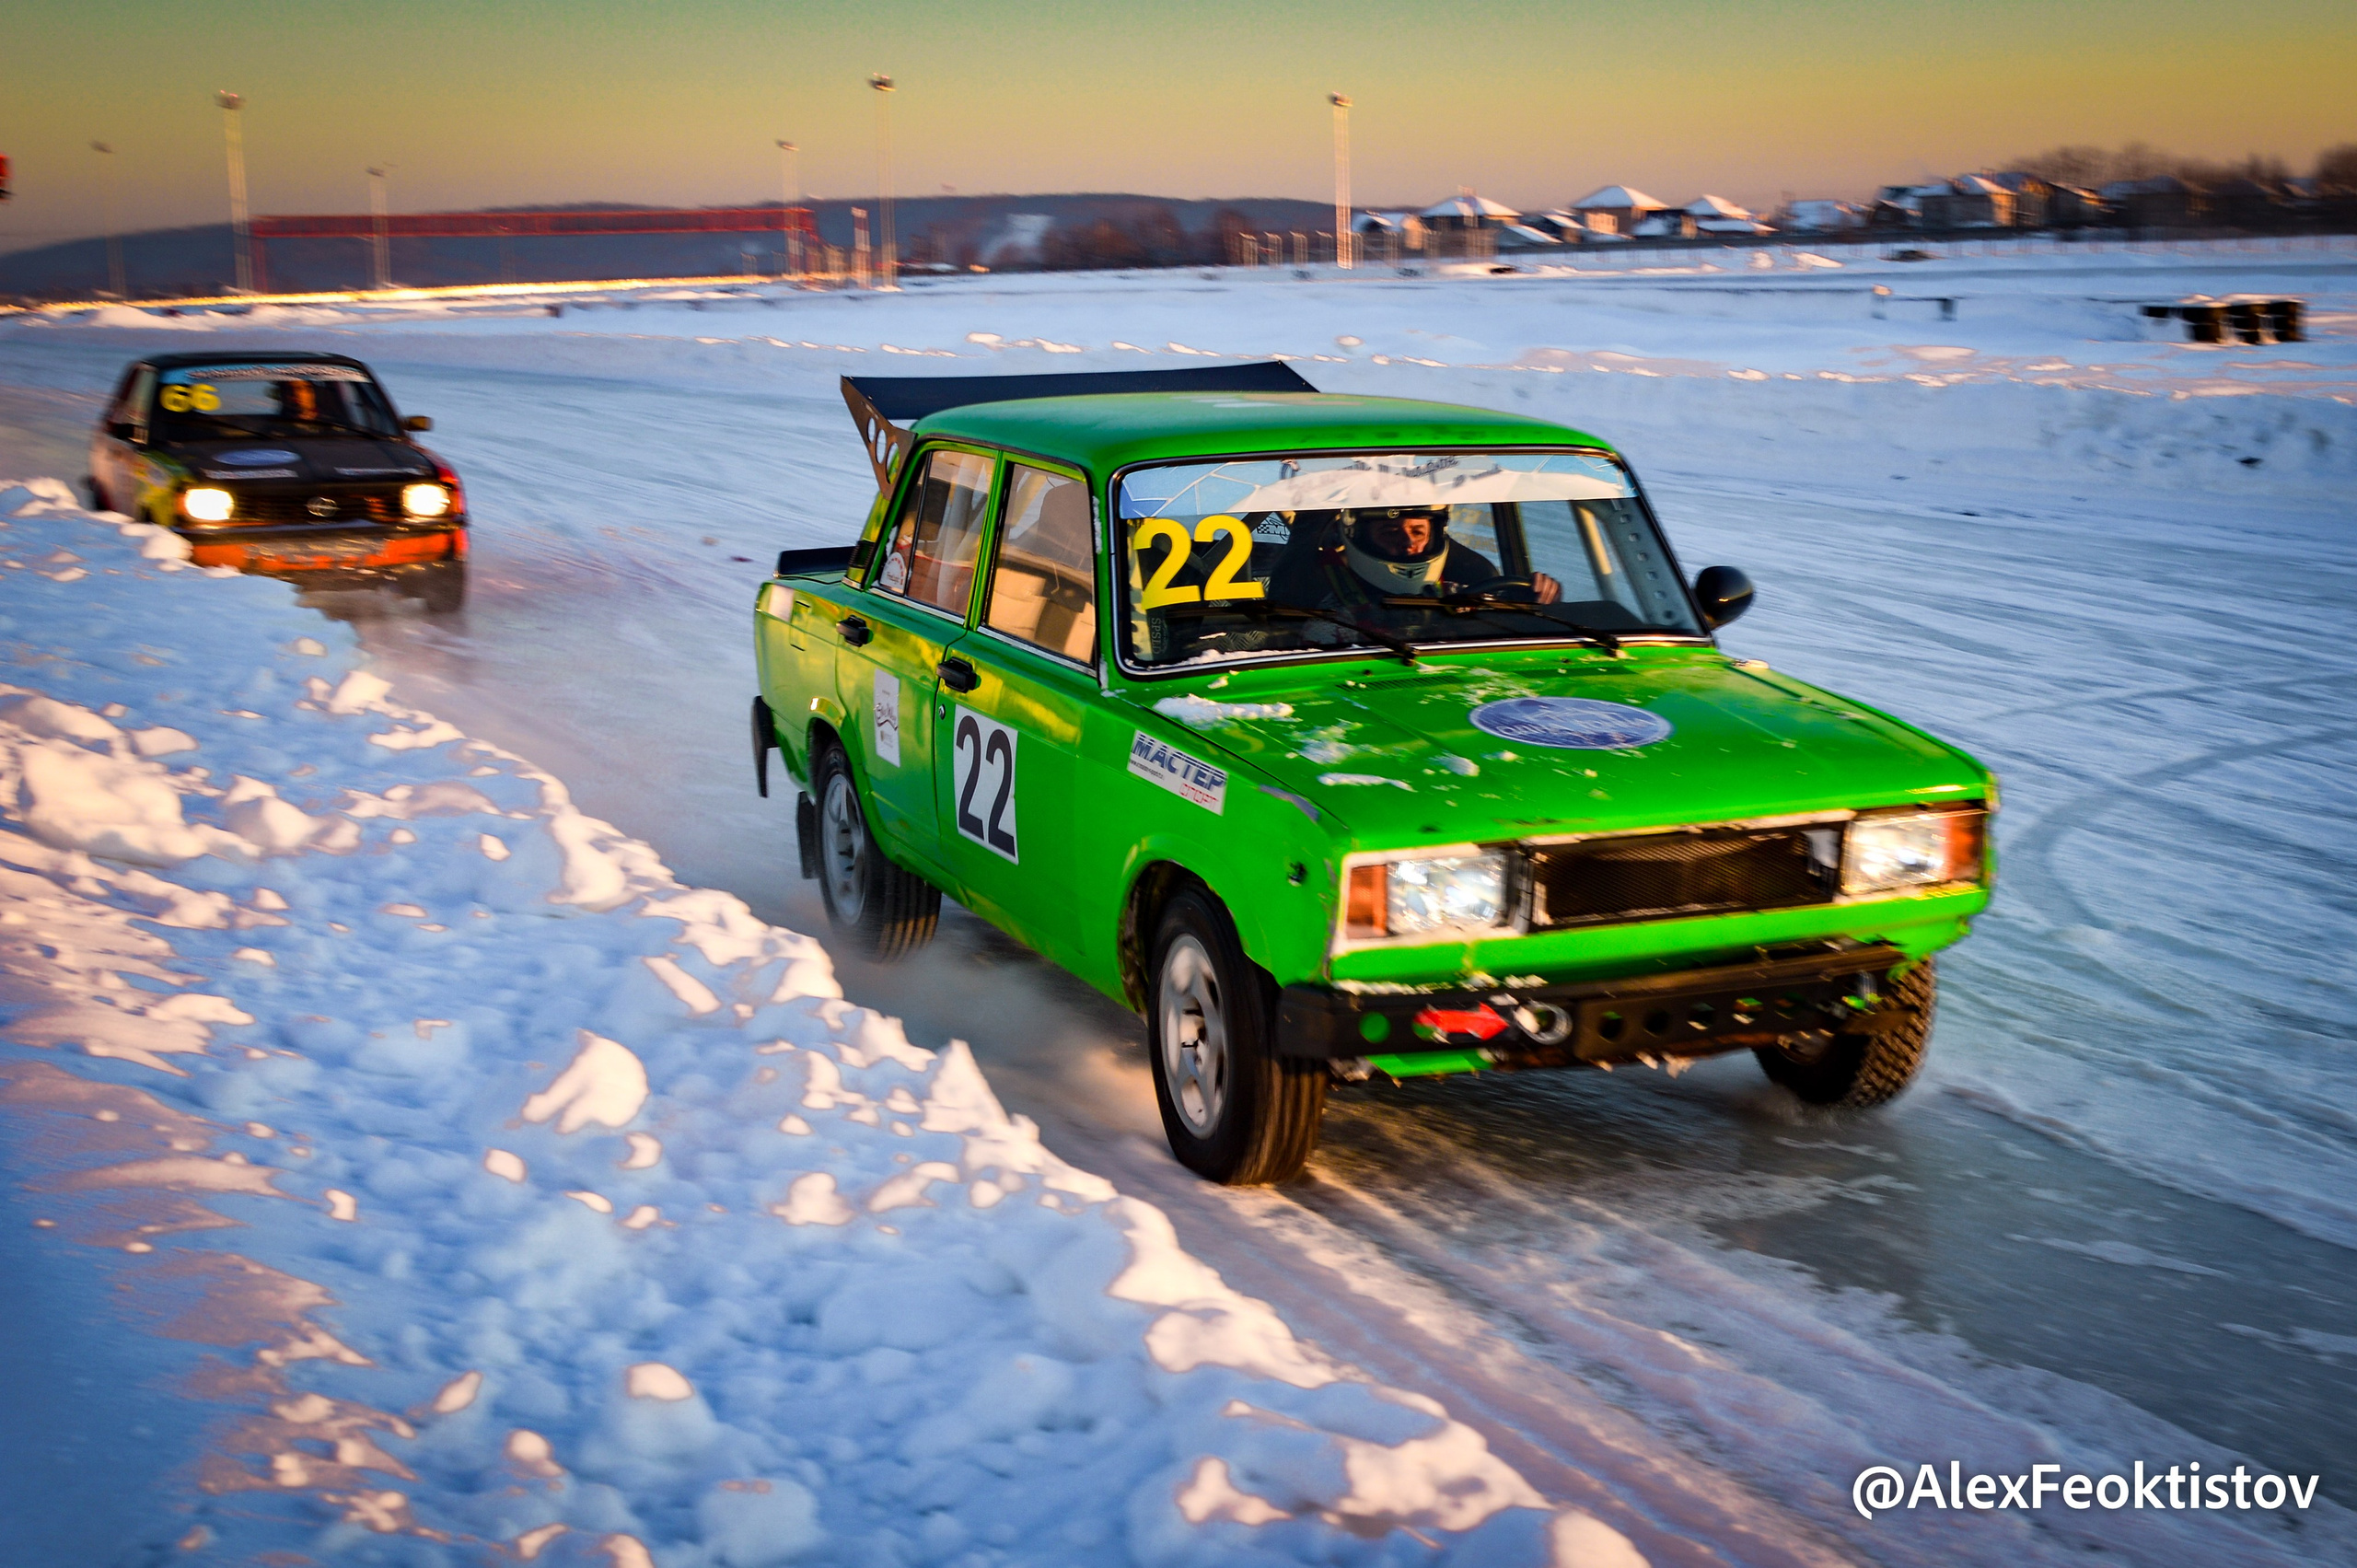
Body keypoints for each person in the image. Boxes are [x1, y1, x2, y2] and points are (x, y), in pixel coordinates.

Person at [1273, 505, 1562, 610]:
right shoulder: (1316, 580)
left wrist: (1541, 602)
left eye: (1418, 531)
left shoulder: (1466, 580)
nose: (1408, 543)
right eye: (1390, 532)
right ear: (1359, 536)